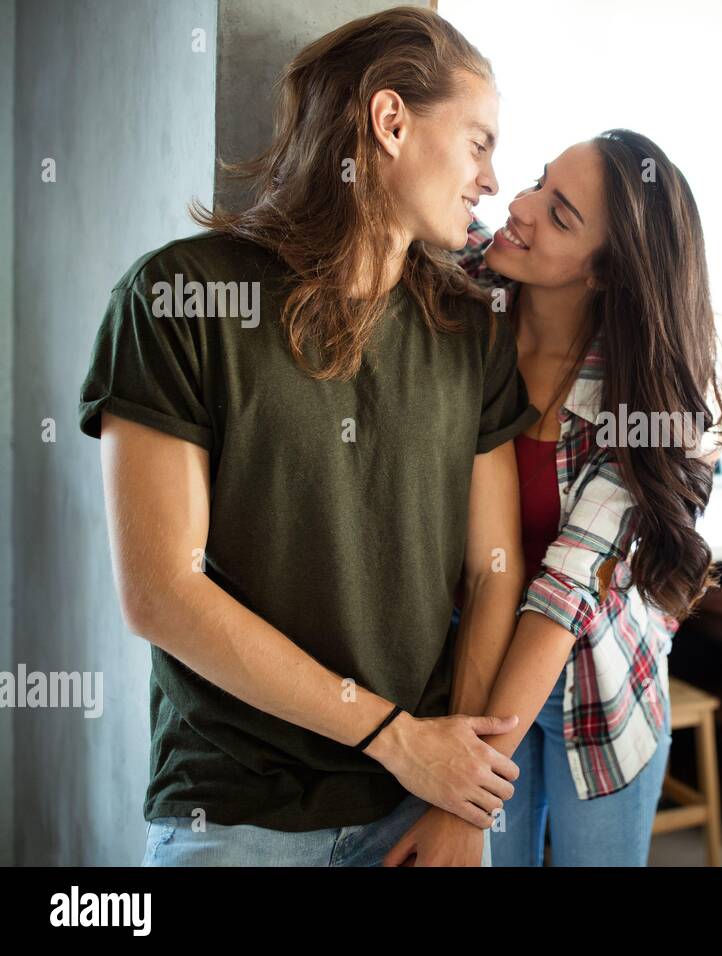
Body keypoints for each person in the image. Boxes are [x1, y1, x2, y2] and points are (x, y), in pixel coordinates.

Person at [78, 7, 535, 866]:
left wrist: (461, 799)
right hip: (234, 814)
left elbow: (491, 570)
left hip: (417, 809)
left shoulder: (472, 331)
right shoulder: (177, 299)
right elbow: (160, 592)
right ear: (390, 121)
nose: (491, 177)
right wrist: (395, 737)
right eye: (477, 141)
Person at [384, 129, 722, 866]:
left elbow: (563, 595)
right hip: (480, 662)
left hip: (601, 684)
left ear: (608, 272)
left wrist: (465, 796)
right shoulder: (475, 291)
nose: (518, 206)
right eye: (536, 182)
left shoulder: (641, 403)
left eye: (559, 215)